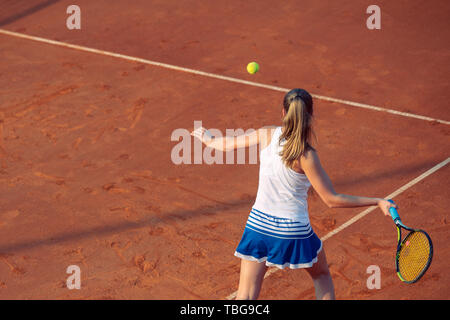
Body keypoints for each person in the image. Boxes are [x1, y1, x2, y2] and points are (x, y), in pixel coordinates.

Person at [191, 88, 396, 300]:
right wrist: (377, 201)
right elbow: (331, 199)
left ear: (283, 113)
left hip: (258, 226)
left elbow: (222, 144)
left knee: (246, 295)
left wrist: (207, 138)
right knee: (322, 276)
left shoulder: (267, 134)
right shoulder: (307, 155)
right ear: (311, 117)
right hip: (293, 231)